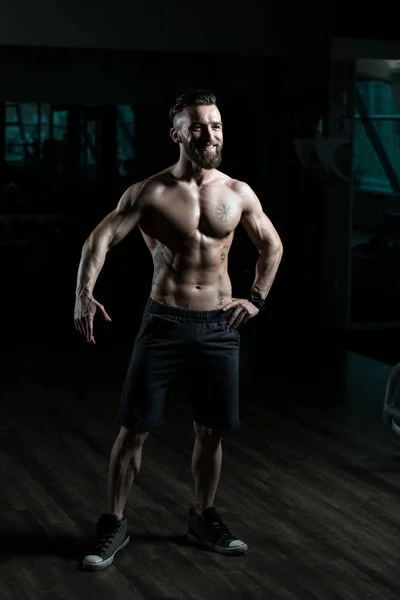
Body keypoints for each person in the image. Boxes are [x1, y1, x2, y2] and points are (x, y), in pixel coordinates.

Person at [74, 90, 283, 570]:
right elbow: (99, 238)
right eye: (199, 126)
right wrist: (84, 293)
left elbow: (272, 245)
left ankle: (203, 517)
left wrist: (255, 300)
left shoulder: (238, 192)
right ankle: (113, 523)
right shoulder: (150, 192)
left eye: (216, 125)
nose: (210, 134)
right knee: (134, 430)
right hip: (165, 320)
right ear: (177, 134)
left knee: (210, 430)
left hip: (219, 324)